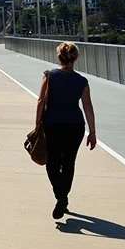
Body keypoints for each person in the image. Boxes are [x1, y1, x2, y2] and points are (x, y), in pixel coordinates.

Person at [35, 41, 97, 219]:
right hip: (75, 126)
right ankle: (63, 197)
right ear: (76, 58)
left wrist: (37, 124)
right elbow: (87, 106)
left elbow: (41, 101)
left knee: (52, 162)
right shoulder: (82, 81)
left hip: (52, 125)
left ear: (59, 57)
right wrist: (92, 132)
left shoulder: (49, 76)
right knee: (69, 163)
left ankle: (61, 197)